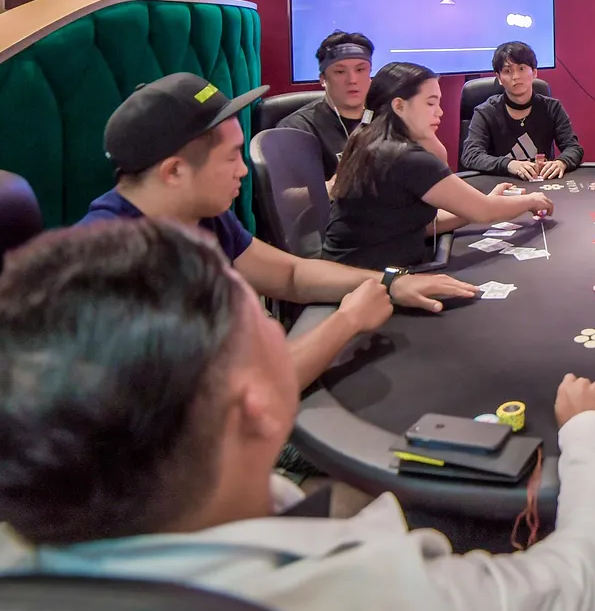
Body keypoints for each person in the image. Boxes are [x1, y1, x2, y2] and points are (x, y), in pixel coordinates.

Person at [0, 219, 595, 611]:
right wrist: (588, 433)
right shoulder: (375, 598)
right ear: (256, 403)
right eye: (260, 316)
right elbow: (577, 575)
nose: (278, 320)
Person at [79, 73, 474, 387]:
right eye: (231, 157)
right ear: (174, 172)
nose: (243, 170)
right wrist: (347, 321)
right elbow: (248, 390)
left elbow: (291, 274)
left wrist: (392, 283)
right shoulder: (114, 270)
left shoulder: (198, 213)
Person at [326, 63, 559, 270]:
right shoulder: (405, 158)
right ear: (399, 106)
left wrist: (477, 206)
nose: (440, 112)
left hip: (358, 270)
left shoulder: (369, 141)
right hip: (372, 283)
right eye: (430, 103)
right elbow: (485, 211)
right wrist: (531, 200)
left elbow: (425, 226)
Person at [462, 41, 584, 181]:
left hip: (542, 184)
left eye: (521, 68)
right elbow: (471, 155)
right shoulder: (486, 112)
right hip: (500, 185)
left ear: (534, 72)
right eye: (507, 71)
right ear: (499, 78)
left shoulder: (552, 108)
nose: (515, 76)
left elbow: (573, 148)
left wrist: (562, 162)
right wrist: (509, 164)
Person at [278, 30, 374, 179]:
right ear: (323, 79)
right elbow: (289, 191)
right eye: (340, 72)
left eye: (360, 70)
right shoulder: (297, 129)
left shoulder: (387, 117)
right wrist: (332, 186)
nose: (352, 80)